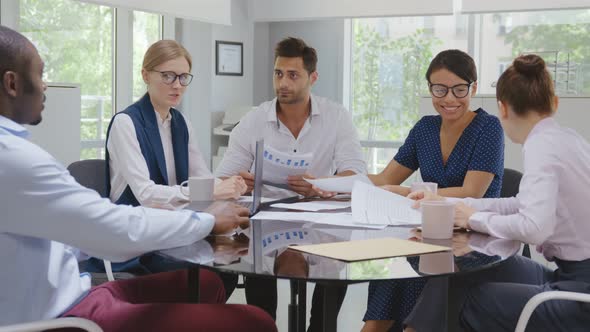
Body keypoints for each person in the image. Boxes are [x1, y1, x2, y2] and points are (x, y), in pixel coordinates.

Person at [0, 25, 276, 332]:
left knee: (211, 283)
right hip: (70, 313)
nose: (46, 85)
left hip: (76, 287)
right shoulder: (16, 158)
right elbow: (115, 224)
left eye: (183, 77)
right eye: (40, 74)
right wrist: (206, 221)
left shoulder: (179, 122)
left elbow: (79, 229)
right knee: (257, 321)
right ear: (12, 83)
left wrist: (220, 193)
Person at [405, 54, 590, 332]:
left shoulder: (542, 146)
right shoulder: (567, 139)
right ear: (554, 103)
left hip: (579, 296)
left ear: (502, 108)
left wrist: (472, 219)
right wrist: (449, 203)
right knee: (455, 276)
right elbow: (520, 204)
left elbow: (534, 228)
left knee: (464, 299)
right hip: (570, 277)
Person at [215, 37, 365, 330]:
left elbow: (356, 176)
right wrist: (240, 182)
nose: (283, 82)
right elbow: (223, 178)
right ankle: (263, 324)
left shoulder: (336, 118)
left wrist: (320, 183)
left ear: (313, 78)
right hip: (264, 221)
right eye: (278, 73)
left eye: (293, 75)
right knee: (256, 275)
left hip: (321, 221)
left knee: (335, 271)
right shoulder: (253, 121)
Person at [362, 49, 505, 332]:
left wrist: (407, 193)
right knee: (391, 268)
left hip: (473, 243)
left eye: (459, 89)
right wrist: (336, 183)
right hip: (428, 236)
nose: (449, 99)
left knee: (418, 276)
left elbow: (471, 192)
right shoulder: (425, 129)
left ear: (473, 88)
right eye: (440, 89)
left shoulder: (488, 127)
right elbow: (385, 178)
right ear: (430, 89)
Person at [84, 40, 247, 282]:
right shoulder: (126, 123)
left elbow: (202, 178)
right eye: (168, 76)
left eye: (183, 77)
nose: (177, 85)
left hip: (174, 232)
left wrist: (228, 186)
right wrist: (211, 189)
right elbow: (147, 195)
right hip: (138, 240)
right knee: (207, 276)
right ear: (145, 75)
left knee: (231, 267)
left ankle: (197, 319)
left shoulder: (181, 124)